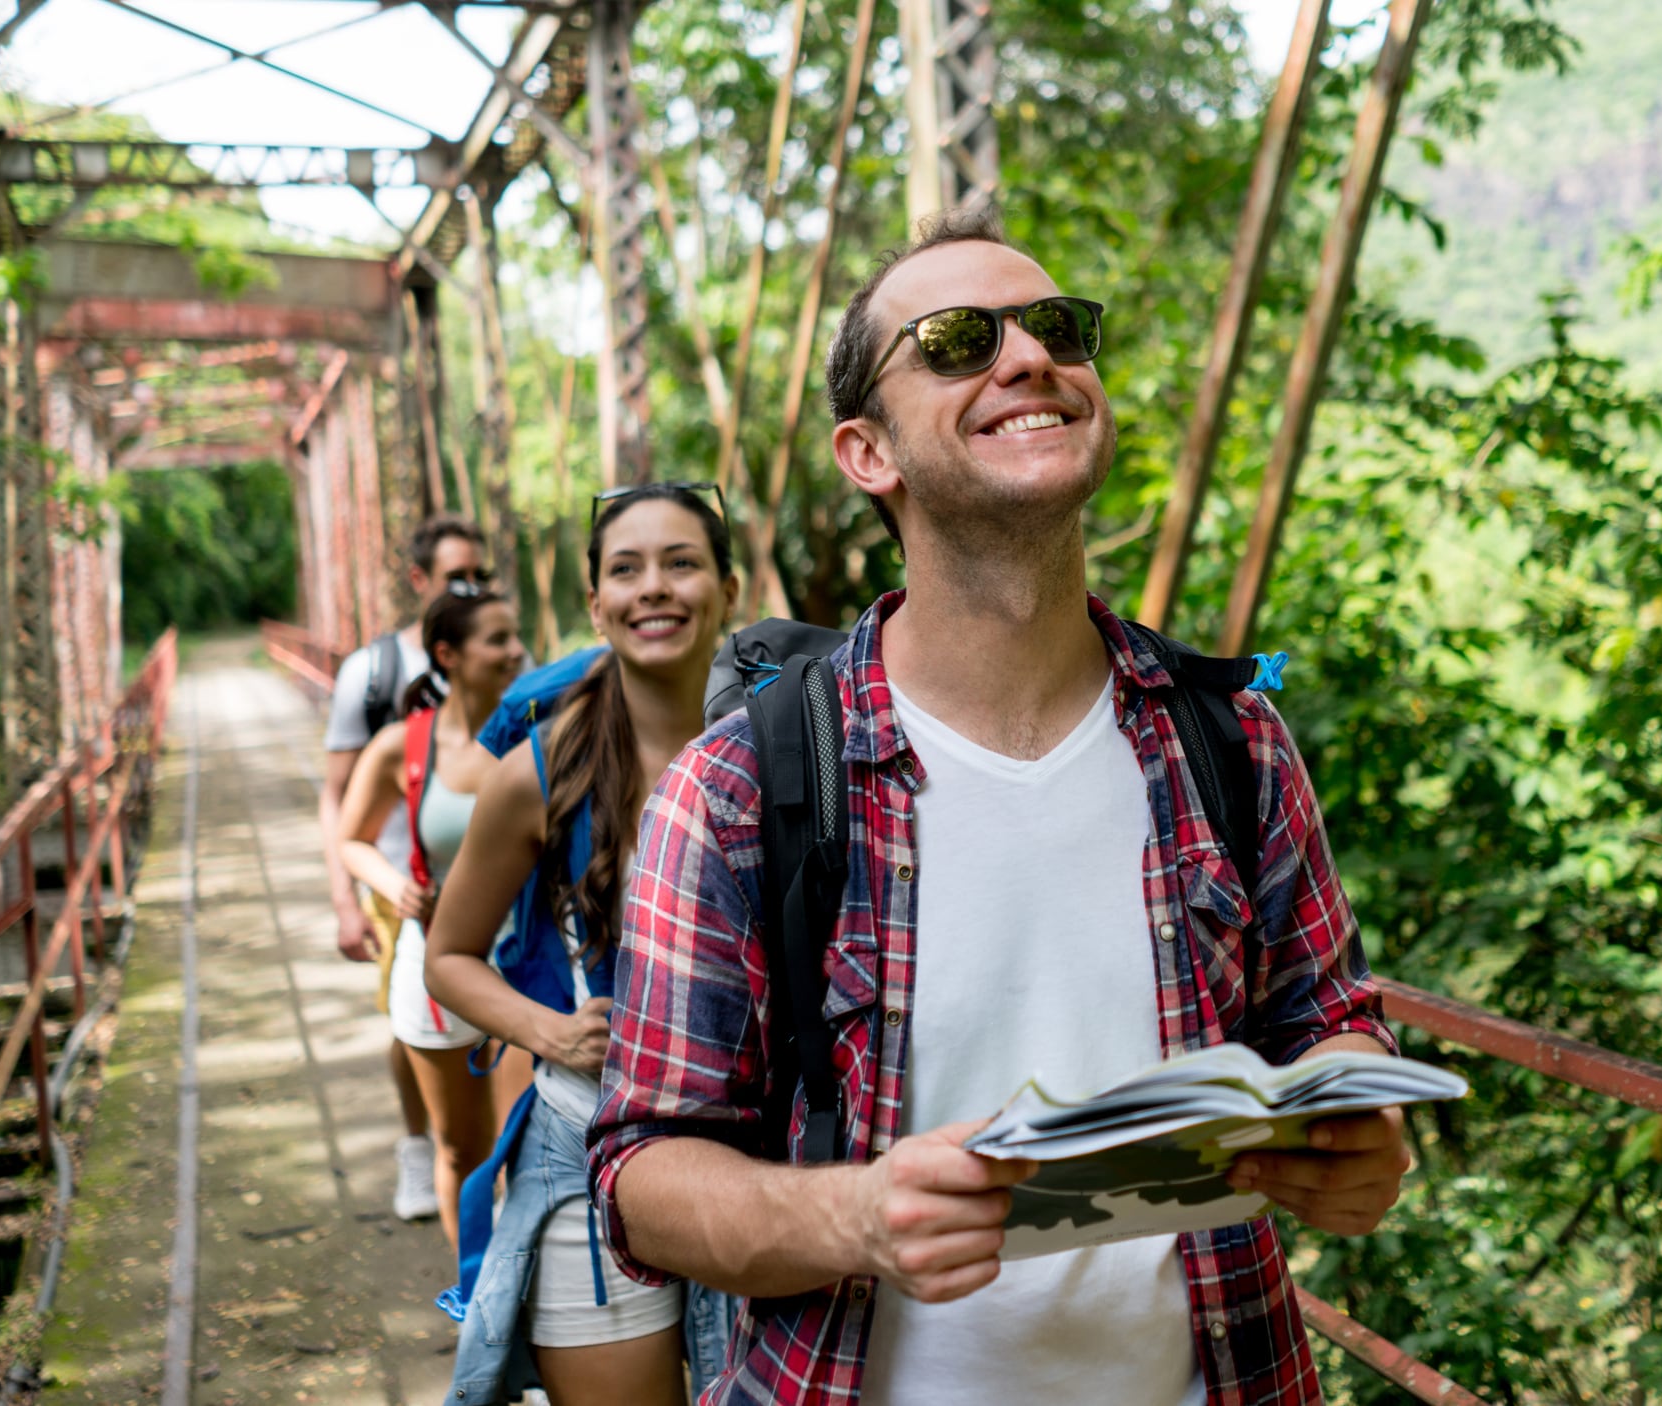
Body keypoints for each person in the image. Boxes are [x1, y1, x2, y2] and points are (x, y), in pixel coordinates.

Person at [589, 209, 1413, 1405]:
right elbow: (642, 1176)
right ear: (867, 451)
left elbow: (1329, 1019)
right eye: (957, 341)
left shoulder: (1232, 741)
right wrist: (856, 1214)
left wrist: (1353, 1124)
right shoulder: (736, 790)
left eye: (1057, 329)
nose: (1028, 357)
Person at [425, 485, 740, 1406]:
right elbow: (449, 956)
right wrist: (550, 1032)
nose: (655, 588)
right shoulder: (540, 772)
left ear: (727, 588)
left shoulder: (785, 749)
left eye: (681, 563)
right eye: (626, 570)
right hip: (587, 1147)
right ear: (597, 606)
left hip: (757, 1155)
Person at [337, 586, 530, 1249]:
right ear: (447, 655)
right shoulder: (404, 745)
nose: (516, 651)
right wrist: (396, 887)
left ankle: (526, 1292)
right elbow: (352, 839)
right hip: (437, 968)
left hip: (525, 964)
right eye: (498, 640)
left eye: (516, 636)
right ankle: (473, 1292)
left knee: (525, 1148)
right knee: (460, 1151)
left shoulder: (540, 732)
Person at [320, 515, 492, 1222]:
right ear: (420, 581)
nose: (471, 588)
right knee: (411, 1025)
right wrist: (349, 900)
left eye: (480, 576)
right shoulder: (373, 673)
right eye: (456, 577)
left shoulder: (503, 655)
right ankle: (421, 1144)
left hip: (489, 883)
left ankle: (465, 1153)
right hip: (405, 886)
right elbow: (337, 796)